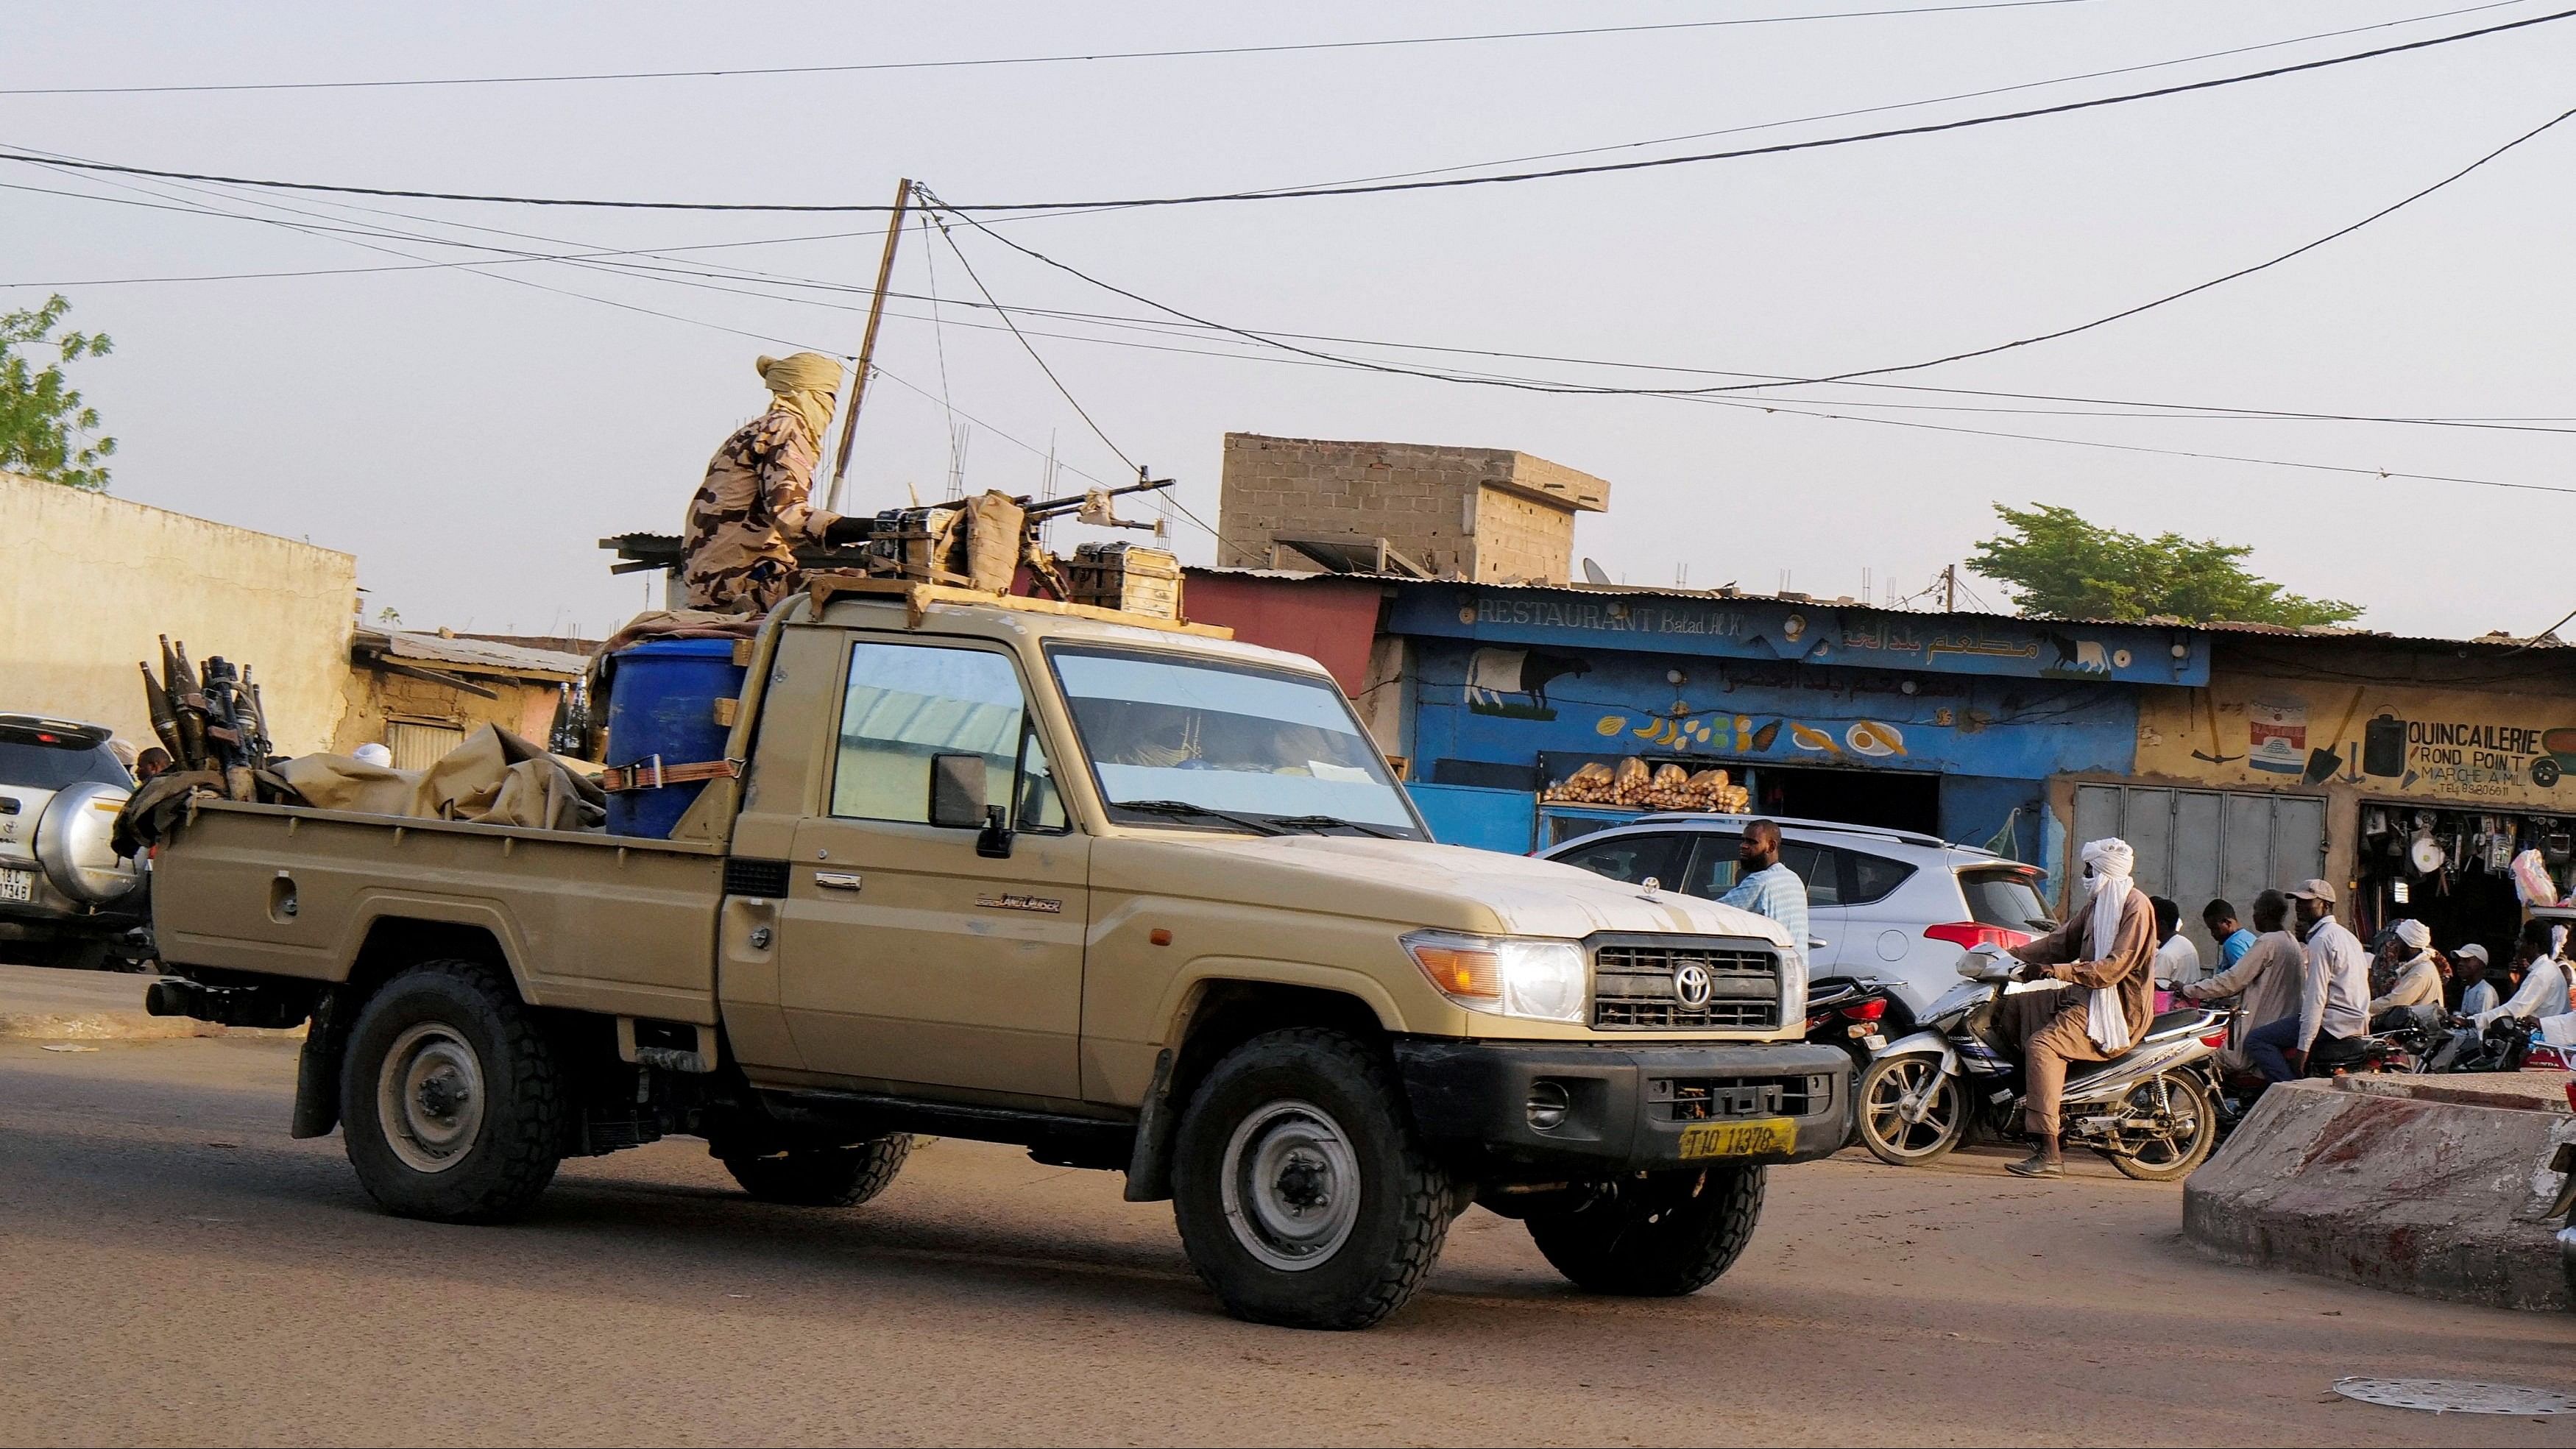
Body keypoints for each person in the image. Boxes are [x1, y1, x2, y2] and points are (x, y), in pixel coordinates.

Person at [1997, 837, 2159, 1180]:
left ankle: (2049, 1151)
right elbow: (2061, 943)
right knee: (2008, 1010)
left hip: (2115, 1008)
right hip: (2083, 994)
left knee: (2042, 1046)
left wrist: (2056, 971)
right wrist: (2007, 956)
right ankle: (2039, 1099)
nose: (2085, 875)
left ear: (2102, 870)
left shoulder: (2136, 907)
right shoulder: (2099, 905)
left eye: (2089, 868)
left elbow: (2113, 968)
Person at [679, 352, 861, 615]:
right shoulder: (786, 429)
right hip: (741, 584)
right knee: (867, 587)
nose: (831, 409)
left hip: (720, 581)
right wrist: (887, 526)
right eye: (828, 397)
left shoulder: (760, 429)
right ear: (807, 394)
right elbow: (792, 519)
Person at [2244, 879, 2370, 1083]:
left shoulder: (2321, 940)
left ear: (2326, 905)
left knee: (2257, 1040)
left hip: (2333, 1022)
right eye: (2298, 902)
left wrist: (2303, 1049)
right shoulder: (2347, 937)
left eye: (2307, 902)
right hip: (2355, 1020)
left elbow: (2316, 998)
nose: (2300, 908)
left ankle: (2287, 1092)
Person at [2178, 889, 2303, 1076]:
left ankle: (2183, 1106)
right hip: (2282, 1019)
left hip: (2262, 1023)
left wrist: (2189, 990)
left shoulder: (2267, 943)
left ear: (2265, 913)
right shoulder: (2290, 941)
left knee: (2200, 1053)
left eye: (2255, 911)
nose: (2253, 917)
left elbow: (2232, 981)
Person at [1718, 819, 1809, 977]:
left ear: (1771, 846)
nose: (1744, 846)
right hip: (1797, 975)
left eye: (1752, 842)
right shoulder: (1793, 878)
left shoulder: (1761, 881)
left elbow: (1717, 913)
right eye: (1744, 840)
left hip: (1771, 977)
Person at [2469, 918, 2571, 1028]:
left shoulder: (2542, 973)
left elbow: (2515, 1010)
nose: (2517, 943)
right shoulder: (2546, 968)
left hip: (2543, 1039)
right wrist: (2515, 982)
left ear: (2533, 946)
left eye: (2521, 940)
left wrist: (2472, 1021)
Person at [2368, 918, 2444, 1030]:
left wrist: (2361, 1008)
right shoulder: (2419, 967)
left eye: (2398, 941)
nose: (2394, 946)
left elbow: (2394, 1003)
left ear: (2409, 945)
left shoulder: (2420, 972)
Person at [2151, 896, 2203, 988]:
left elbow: (2152, 988)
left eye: (2150, 922)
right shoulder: (2185, 943)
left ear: (2162, 925)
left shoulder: (2165, 955)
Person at [2204, 899, 2256, 974]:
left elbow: (2245, 976)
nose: (2213, 934)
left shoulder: (2232, 944)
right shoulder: (2248, 937)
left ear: (2227, 923)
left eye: (2215, 929)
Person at [2456, 943, 2499, 1018]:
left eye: (2466, 960)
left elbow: (2481, 1025)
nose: (2460, 964)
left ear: (2480, 964)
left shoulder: (2484, 991)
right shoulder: (2468, 988)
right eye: (2460, 960)